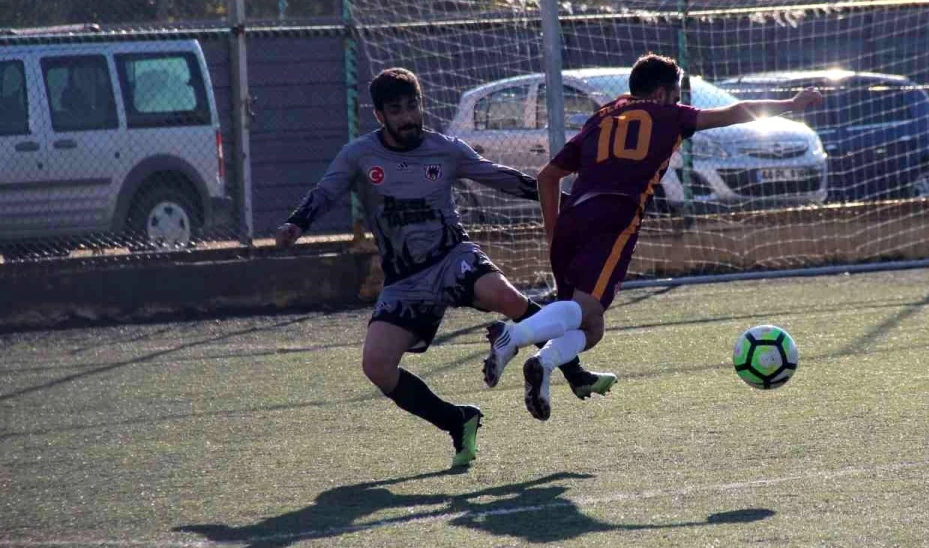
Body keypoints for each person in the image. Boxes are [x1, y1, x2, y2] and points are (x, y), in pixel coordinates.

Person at [276, 68, 615, 468]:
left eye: (413, 105)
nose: (408, 117)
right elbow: (325, 191)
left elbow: (501, 178)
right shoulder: (359, 155)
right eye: (396, 110)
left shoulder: (444, 150)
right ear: (380, 116)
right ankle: (457, 421)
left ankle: (573, 372)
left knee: (504, 297)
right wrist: (296, 224)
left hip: (452, 257)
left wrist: (566, 197)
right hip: (404, 281)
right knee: (377, 366)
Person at [483, 53, 823, 420]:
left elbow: (547, 177)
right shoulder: (669, 115)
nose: (679, 102)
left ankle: (543, 365)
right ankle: (512, 337)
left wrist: (553, 233)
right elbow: (736, 112)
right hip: (615, 216)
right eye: (676, 95)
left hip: (571, 217)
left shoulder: (601, 116)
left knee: (591, 325)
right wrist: (792, 104)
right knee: (584, 309)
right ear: (661, 94)